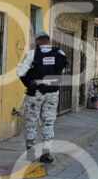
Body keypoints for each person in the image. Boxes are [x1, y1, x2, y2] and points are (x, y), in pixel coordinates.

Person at [17, 31, 68, 164]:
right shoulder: (60, 53)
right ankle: (46, 154)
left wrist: (29, 84)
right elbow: (63, 68)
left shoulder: (32, 54)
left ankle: (30, 152)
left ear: (38, 41)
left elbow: (20, 72)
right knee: (49, 122)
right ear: (49, 41)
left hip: (35, 93)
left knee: (31, 121)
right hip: (52, 92)